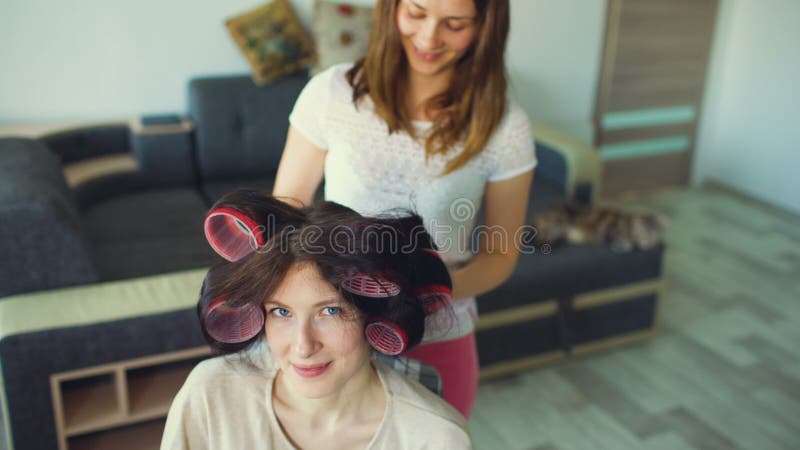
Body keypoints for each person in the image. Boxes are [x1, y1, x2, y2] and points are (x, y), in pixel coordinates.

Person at [272, 0, 535, 417]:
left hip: (438, 338)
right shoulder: (331, 93)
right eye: (416, 13)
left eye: (455, 24)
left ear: (485, 26)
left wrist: (423, 293)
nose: (429, 37)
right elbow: (284, 214)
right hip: (328, 336)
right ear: (390, 9)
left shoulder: (503, 125)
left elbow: (500, 256)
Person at [161, 190, 472, 450]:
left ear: (377, 314)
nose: (303, 346)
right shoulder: (210, 396)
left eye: (330, 311)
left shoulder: (437, 438)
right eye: (281, 312)